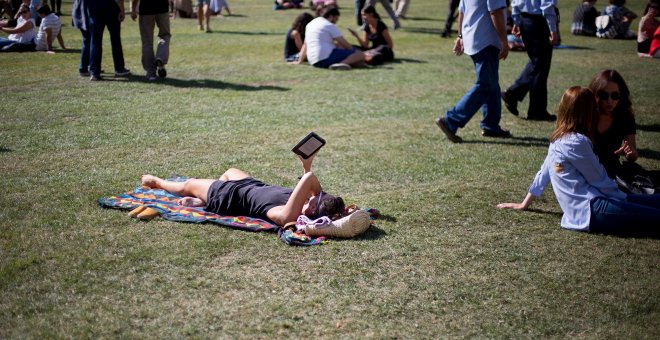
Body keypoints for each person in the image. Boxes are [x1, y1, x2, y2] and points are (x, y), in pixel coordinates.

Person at [497, 87, 660, 234]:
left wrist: (524, 204)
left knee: (652, 202)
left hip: (593, 206)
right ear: (588, 113)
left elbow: (543, 174)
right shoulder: (577, 142)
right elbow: (599, 179)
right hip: (593, 209)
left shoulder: (558, 138)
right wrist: (623, 197)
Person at [139, 154, 346, 226]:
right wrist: (307, 163)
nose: (313, 195)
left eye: (315, 199)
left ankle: (158, 181)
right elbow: (310, 185)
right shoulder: (304, 204)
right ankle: (204, 202)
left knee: (188, 185)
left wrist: (308, 174)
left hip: (227, 196)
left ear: (311, 212)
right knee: (230, 171)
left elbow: (309, 181)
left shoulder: (287, 215)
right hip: (250, 185)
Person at [435, 0, 511, 143]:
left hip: (473, 38)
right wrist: (504, 41)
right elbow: (495, 11)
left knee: (491, 83)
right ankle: (451, 121)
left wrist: (460, 36)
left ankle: (491, 125)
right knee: (486, 84)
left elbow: (462, 10)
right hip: (486, 40)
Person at [501, 0, 558, 121]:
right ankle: (536, 110)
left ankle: (513, 94)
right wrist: (553, 29)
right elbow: (547, 5)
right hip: (539, 22)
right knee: (540, 66)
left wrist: (516, 21)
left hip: (525, 20)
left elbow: (515, 3)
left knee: (536, 62)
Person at [295, 6, 366, 70]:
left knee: (356, 60)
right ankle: (341, 64)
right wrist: (355, 51)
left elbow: (305, 44)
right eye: (336, 19)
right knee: (360, 55)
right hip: (325, 58)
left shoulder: (310, 24)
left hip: (313, 61)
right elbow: (346, 45)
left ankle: (346, 63)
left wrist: (299, 61)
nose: (335, 22)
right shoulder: (329, 25)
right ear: (331, 16)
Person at [88, 0, 131, 81]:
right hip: (111, 7)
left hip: (94, 7)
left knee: (95, 41)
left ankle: (94, 72)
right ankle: (119, 68)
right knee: (115, 39)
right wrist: (122, 9)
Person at [131, 0, 171, 81]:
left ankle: (151, 72)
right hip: (162, 8)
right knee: (165, 35)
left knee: (147, 42)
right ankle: (160, 57)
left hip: (146, 10)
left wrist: (133, 9)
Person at [72, 0, 91, 76]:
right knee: (87, 41)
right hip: (84, 16)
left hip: (80, 14)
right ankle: (83, 68)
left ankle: (91, 66)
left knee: (88, 41)